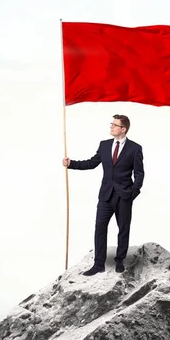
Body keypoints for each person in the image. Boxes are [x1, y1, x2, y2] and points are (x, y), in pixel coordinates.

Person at [62, 114, 144, 275]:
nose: (111, 127)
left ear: (123, 129)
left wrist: (132, 193)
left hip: (124, 196)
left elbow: (139, 174)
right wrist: (71, 164)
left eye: (114, 125)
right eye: (111, 124)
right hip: (105, 195)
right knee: (100, 228)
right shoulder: (104, 145)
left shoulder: (135, 148)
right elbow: (92, 163)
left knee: (123, 229)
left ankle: (119, 261)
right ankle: (98, 264)